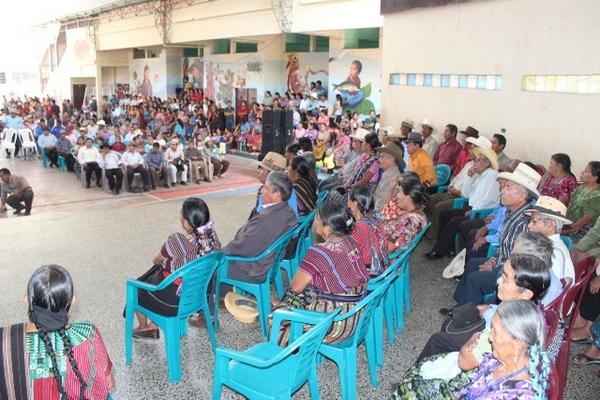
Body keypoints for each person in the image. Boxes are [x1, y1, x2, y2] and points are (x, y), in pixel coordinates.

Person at [398, 254, 551, 398]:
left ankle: (411, 382)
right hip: (480, 364)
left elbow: (467, 362)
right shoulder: (525, 316)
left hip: (471, 369)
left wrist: (472, 340)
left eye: (505, 279)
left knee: (437, 340)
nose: (498, 281)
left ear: (526, 294)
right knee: (453, 323)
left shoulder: (510, 333)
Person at [4, 265, 115, 399]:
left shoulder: (5, 338)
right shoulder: (86, 334)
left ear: (27, 300)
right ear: (72, 300)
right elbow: (109, 383)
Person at [273, 201, 369, 345]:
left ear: (328, 229)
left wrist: (283, 304)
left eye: (318, 219)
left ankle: (283, 343)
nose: (315, 222)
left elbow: (295, 287)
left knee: (277, 317)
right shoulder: (352, 242)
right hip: (356, 315)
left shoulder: (320, 252)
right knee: (305, 291)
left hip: (336, 324)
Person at [451, 163, 542, 307]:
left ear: (522, 197)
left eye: (508, 188)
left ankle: (467, 317)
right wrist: (493, 260)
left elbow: (517, 259)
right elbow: (502, 245)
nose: (502, 191)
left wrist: (494, 267)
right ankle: (461, 307)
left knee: (476, 278)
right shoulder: (510, 212)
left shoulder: (525, 222)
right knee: (472, 263)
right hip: (502, 263)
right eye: (504, 186)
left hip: (513, 275)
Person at [132, 198, 221, 338]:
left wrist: (167, 263)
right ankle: (153, 325)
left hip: (175, 301)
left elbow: (156, 260)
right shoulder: (212, 237)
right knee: (159, 278)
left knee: (137, 289)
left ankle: (144, 328)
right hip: (200, 295)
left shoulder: (177, 241)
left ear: (186, 222)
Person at [457, 300, 549, 400]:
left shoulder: (518, 395)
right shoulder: (499, 360)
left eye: (495, 332)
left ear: (517, 344)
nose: (490, 337)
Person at [223, 171, 297, 285]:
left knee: (210, 267)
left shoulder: (266, 220)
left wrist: (218, 254)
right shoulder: (289, 212)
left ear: (276, 194)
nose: (262, 191)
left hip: (254, 270)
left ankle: (217, 300)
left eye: (266, 188)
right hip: (268, 263)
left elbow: (241, 248)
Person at [426, 147, 500, 259]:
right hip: (472, 207)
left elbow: (486, 200)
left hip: (482, 212)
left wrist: (473, 211)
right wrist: (469, 177)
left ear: (487, 163)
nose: (475, 163)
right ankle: (447, 247)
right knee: (445, 214)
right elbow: (466, 194)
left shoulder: (492, 175)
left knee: (455, 221)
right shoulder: (480, 176)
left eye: (478, 160)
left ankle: (438, 251)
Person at [525, 196, 575, 281]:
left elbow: (551, 290)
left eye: (534, 221)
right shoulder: (545, 244)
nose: (529, 225)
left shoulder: (553, 254)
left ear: (551, 225)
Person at [381, 172, 429, 252]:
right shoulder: (411, 213)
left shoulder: (412, 222)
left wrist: (374, 233)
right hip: (384, 237)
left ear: (408, 196)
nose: (397, 196)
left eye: (399, 191)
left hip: (388, 256)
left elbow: (391, 248)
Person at [348, 186, 388, 276]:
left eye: (348, 200)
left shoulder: (357, 229)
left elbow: (350, 256)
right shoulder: (377, 220)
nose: (347, 204)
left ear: (354, 204)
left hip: (368, 273)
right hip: (382, 266)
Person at [563, 161, 600, 242]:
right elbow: (570, 204)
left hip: (584, 227)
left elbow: (586, 219)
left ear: (594, 178)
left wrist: (569, 229)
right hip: (570, 222)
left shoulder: (596, 195)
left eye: (586, 171)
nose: (582, 172)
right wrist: (563, 221)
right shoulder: (581, 187)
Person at [374, 141, 404, 212]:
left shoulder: (392, 177)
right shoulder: (389, 174)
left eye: (382, 157)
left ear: (390, 158)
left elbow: (380, 207)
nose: (379, 160)